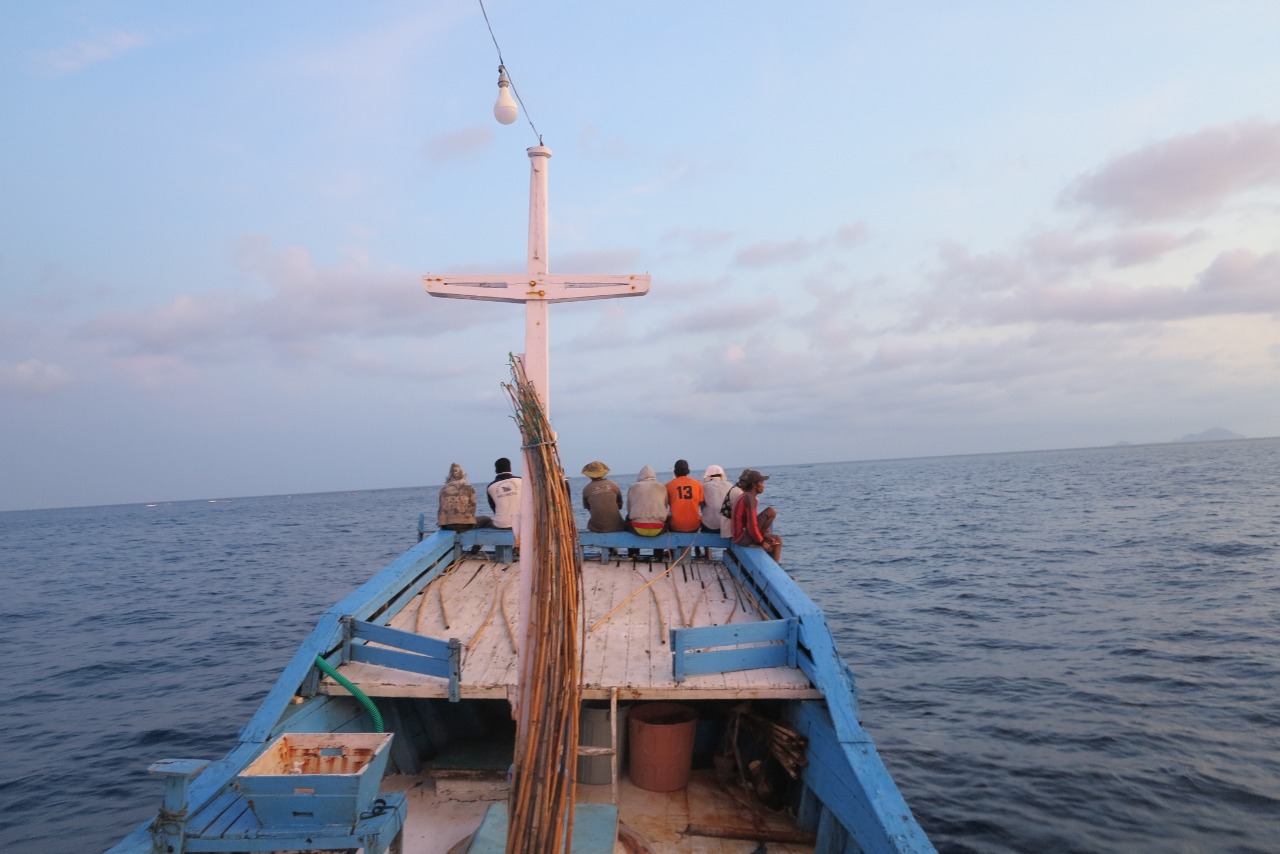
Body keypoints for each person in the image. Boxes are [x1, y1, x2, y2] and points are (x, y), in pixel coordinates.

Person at [732, 469, 782, 563]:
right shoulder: (749, 498)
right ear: (754, 485)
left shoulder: (745, 496)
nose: (763, 485)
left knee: (777, 539)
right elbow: (752, 525)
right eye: (761, 483)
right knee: (771, 512)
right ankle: (775, 567)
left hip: (740, 536)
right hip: (742, 538)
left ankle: (776, 567)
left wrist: (763, 537)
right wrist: (761, 541)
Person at [581, 460, 625, 533]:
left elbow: (588, 508)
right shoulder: (613, 485)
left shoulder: (586, 489)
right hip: (617, 526)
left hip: (597, 528)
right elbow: (620, 506)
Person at [626, 465, 669, 538]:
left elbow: (629, 511)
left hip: (638, 528)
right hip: (658, 528)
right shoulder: (662, 487)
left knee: (627, 523)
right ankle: (658, 549)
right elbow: (665, 506)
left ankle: (634, 549)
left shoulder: (633, 487)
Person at [665, 459, 705, 533]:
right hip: (694, 525)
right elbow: (702, 507)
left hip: (675, 526)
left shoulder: (668, 486)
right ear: (688, 471)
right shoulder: (698, 485)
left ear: (674, 472)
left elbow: (666, 506)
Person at [437, 462, 477, 532]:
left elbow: (440, 509)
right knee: (486, 520)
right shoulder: (468, 487)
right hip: (464, 525)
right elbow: (473, 508)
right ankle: (478, 543)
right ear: (463, 474)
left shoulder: (443, 489)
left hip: (446, 526)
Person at [487, 457, 522, 535]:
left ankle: (479, 544)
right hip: (521, 523)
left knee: (485, 521)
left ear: (496, 471)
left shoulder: (491, 487)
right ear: (510, 468)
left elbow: (494, 508)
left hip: (501, 525)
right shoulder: (522, 481)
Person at [700, 465, 732, 534]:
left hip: (709, 526)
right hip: (725, 526)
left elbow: (702, 506)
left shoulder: (703, 486)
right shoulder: (730, 485)